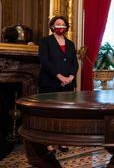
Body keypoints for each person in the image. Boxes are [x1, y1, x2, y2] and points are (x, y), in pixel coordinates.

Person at [38, 16, 78, 167]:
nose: (61, 26)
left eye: (63, 24)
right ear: (52, 26)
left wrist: (71, 77)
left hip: (68, 84)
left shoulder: (70, 43)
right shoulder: (45, 41)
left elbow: (74, 62)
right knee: (49, 114)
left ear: (66, 27)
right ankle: (48, 144)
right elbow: (44, 61)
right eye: (58, 24)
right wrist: (60, 76)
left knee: (64, 114)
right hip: (50, 83)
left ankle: (62, 140)